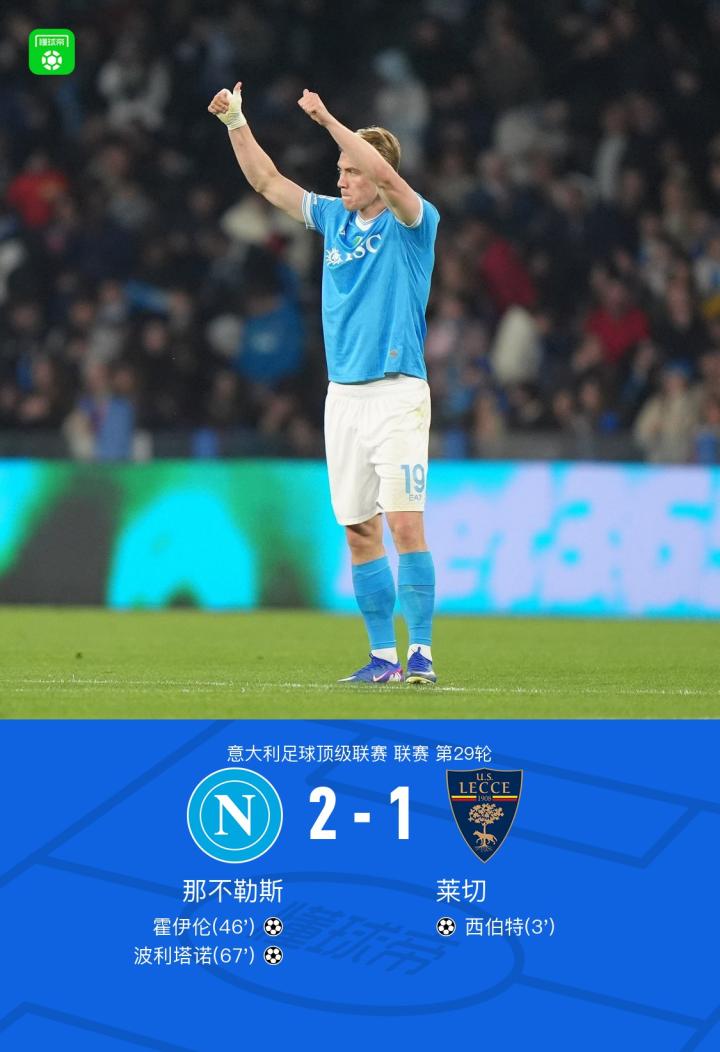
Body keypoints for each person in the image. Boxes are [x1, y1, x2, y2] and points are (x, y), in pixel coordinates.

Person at [208, 81, 440, 684]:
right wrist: (236, 122)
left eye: (349, 170)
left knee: (404, 524)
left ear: (379, 174)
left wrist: (328, 119)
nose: (340, 180)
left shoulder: (413, 222)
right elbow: (268, 183)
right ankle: (382, 660)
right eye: (338, 170)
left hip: (397, 392)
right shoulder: (335, 220)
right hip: (344, 396)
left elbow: (385, 178)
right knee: (360, 531)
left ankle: (421, 653)